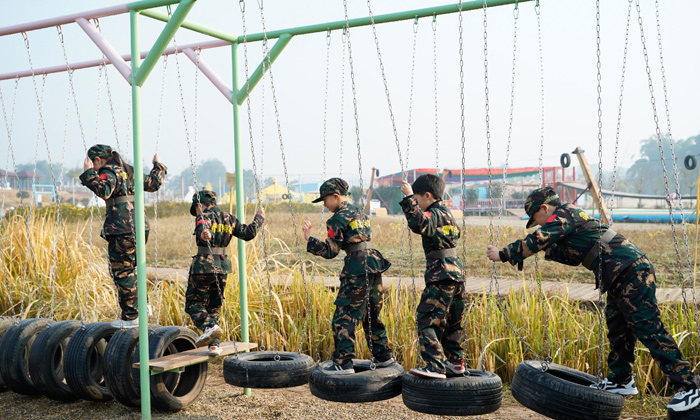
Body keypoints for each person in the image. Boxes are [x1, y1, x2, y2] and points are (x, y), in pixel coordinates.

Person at [486, 186, 700, 413]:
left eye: (536, 218)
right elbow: (572, 257)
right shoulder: (566, 220)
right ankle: (621, 380)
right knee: (618, 329)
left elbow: (539, 239)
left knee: (648, 328)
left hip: (631, 271)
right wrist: (543, 250)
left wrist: (504, 254)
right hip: (619, 275)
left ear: (544, 208)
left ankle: (688, 386)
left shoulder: (564, 214)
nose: (538, 223)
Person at [302, 178, 394, 375]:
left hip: (357, 267)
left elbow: (331, 251)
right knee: (371, 315)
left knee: (344, 317)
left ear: (335, 196)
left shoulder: (336, 219)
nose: (325, 205)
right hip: (374, 264)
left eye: (325, 200)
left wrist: (309, 239)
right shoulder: (360, 213)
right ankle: (383, 357)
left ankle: (343, 363)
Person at [79, 144, 167, 328]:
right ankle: (144, 306)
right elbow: (154, 183)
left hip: (121, 229)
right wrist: (158, 165)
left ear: (97, 160)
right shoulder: (130, 171)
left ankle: (131, 316)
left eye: (92, 163)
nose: (93, 166)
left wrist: (88, 174)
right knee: (134, 268)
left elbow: (104, 191)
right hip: (140, 226)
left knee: (122, 272)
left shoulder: (107, 171)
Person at [399, 174, 466, 379]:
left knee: (427, 319)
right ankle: (455, 362)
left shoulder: (435, 214)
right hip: (457, 275)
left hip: (441, 274)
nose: (417, 204)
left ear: (427, 195)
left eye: (418, 199)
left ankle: (435, 366)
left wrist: (408, 197)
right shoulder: (449, 215)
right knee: (453, 322)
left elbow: (419, 223)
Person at [188, 189, 264, 356]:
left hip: (204, 266)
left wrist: (204, 233)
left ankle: (208, 328)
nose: (196, 213)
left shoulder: (202, 217)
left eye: (196, 209)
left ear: (200, 205)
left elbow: (202, 228)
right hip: (222, 267)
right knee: (213, 307)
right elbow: (248, 233)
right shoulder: (228, 218)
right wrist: (259, 218)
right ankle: (214, 346)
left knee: (194, 304)